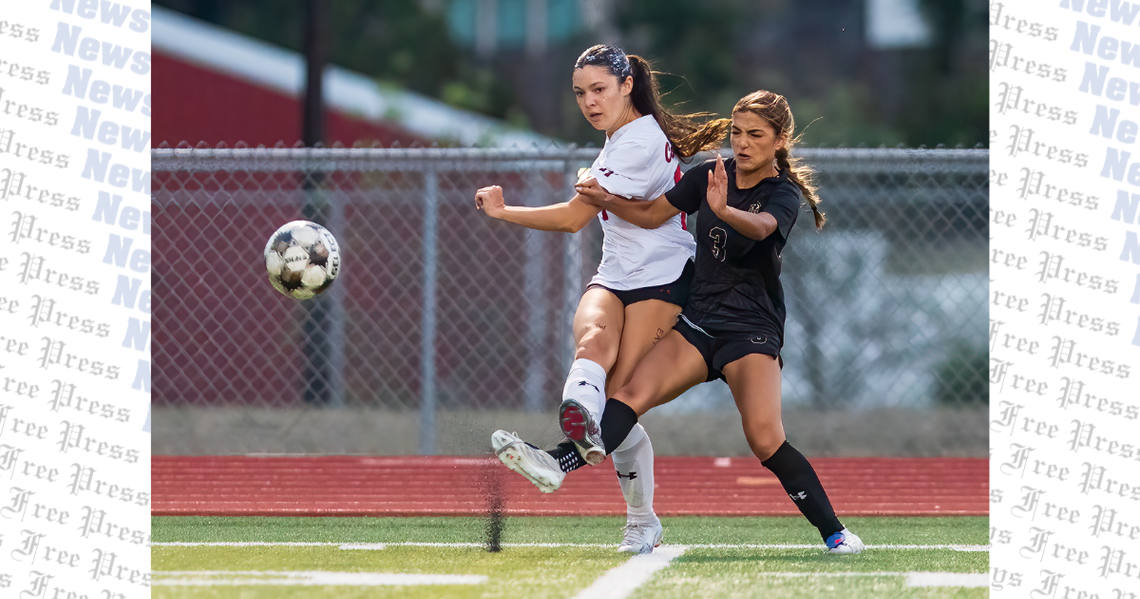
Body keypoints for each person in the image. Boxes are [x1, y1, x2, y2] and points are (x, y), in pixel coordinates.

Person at [513, 90, 864, 554]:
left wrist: (724, 211)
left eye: (756, 135)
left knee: (765, 441)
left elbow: (761, 228)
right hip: (698, 321)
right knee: (628, 396)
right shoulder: (709, 175)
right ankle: (555, 462)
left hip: (749, 331)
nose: (742, 143)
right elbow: (650, 215)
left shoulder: (782, 193)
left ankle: (835, 533)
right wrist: (606, 198)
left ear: (780, 140)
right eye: (736, 132)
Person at [476, 44, 727, 554]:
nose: (589, 102)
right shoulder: (617, 140)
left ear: (626, 85)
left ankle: (604, 491)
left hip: (662, 278)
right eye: (580, 93)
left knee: (618, 401)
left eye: (599, 90)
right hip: (613, 275)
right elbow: (581, 214)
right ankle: (578, 422)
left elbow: (573, 218)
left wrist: (504, 212)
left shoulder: (640, 141)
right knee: (592, 342)